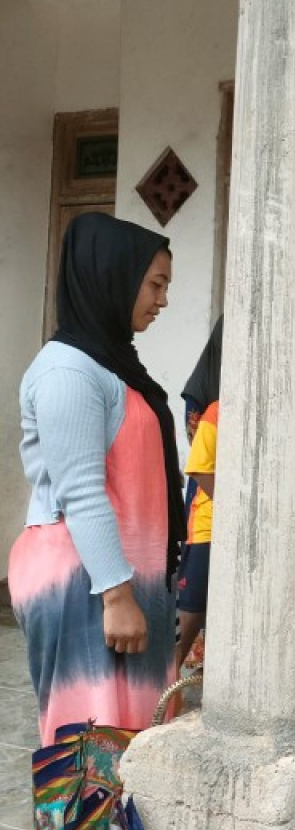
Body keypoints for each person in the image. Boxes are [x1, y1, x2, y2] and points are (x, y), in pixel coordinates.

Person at [9, 212, 184, 745]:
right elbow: (81, 490)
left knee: (133, 745)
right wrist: (116, 594)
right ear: (114, 275)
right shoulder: (69, 372)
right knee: (89, 752)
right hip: (85, 584)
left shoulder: (109, 366)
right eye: (154, 284)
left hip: (121, 582)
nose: (162, 300)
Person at [176, 397, 218, 670]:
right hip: (209, 525)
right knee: (193, 607)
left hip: (252, 527)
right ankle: (170, 675)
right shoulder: (218, 412)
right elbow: (200, 468)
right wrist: (239, 514)